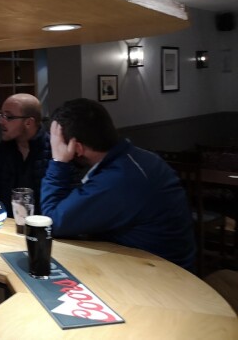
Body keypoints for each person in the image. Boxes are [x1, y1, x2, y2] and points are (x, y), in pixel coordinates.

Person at [41, 98, 196, 271]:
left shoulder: (120, 178)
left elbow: (51, 222)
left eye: (56, 143)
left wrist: (59, 162)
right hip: (152, 263)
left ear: (77, 147)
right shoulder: (136, 159)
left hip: (163, 276)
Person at [0, 93, 51, 217]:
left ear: (29, 122)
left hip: (45, 225)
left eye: (8, 117)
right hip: (7, 225)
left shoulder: (55, 153)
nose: (1, 121)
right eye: (1, 115)